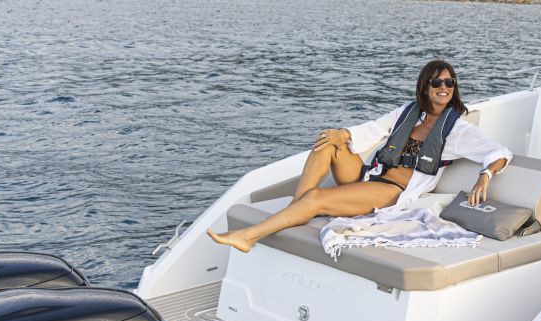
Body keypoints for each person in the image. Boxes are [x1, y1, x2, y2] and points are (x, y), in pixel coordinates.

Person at [208, 60, 512, 253]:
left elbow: (498, 152)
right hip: (369, 175)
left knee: (316, 198)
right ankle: (293, 211)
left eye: (449, 83)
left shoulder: (456, 128)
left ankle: (249, 236)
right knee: (327, 142)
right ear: (425, 87)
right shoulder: (409, 113)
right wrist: (342, 134)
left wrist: (485, 176)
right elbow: (372, 129)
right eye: (436, 82)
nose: (443, 88)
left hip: (390, 191)